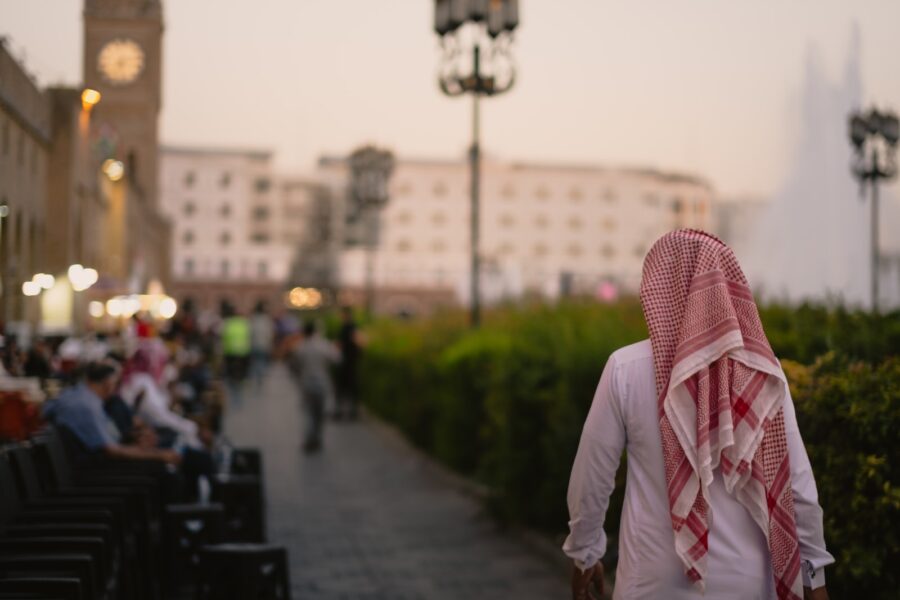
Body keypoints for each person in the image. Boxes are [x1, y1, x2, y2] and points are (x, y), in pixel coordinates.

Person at [564, 230, 833, 600]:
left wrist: (585, 554)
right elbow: (798, 486)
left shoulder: (625, 368)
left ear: (657, 289)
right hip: (749, 585)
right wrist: (814, 579)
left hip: (652, 587)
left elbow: (591, 480)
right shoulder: (762, 372)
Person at [42, 361, 181, 466]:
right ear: (108, 384)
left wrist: (134, 439)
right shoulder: (88, 406)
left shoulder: (76, 395)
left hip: (89, 464)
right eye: (115, 384)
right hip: (94, 473)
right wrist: (159, 455)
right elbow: (110, 450)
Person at [288, 321, 340, 453]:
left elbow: (293, 365)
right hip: (322, 383)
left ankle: (310, 439)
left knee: (309, 413)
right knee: (319, 413)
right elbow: (337, 359)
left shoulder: (300, 347)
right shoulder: (323, 345)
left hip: (306, 384)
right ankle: (317, 438)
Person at [335, 305, 363, 420]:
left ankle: (345, 412)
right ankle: (350, 411)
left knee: (345, 387)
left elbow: (358, 341)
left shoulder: (350, 327)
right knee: (349, 387)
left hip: (348, 362)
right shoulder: (349, 326)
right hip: (349, 361)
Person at [248, 300, 274, 388]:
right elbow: (269, 333)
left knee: (254, 361)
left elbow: (249, 332)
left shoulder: (253, 319)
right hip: (263, 344)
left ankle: (255, 377)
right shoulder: (266, 320)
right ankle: (260, 377)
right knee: (262, 361)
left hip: (254, 344)